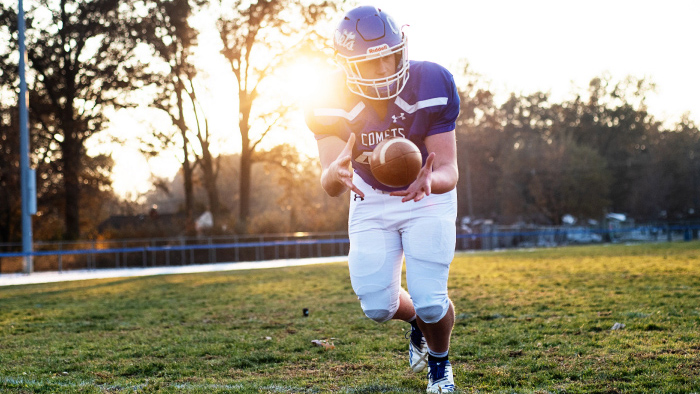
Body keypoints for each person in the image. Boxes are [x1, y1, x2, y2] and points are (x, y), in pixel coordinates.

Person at [305, 5, 460, 393]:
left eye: (390, 54)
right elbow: (330, 180)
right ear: (347, 64)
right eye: (371, 62)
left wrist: (430, 181)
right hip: (369, 196)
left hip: (425, 195)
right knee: (377, 307)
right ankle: (416, 327)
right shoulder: (325, 96)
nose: (385, 67)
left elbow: (450, 171)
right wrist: (336, 174)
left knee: (429, 297)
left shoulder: (433, 80)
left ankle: (439, 365)